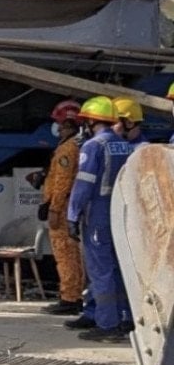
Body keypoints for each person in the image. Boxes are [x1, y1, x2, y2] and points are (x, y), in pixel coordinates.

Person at [64, 96, 133, 342]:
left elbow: (83, 185)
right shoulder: (124, 146)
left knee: (100, 270)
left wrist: (72, 214)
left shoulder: (92, 147)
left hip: (97, 215)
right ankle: (125, 319)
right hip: (120, 214)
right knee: (119, 269)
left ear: (92, 121)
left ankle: (107, 324)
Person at [38, 100, 85, 316]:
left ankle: (69, 297)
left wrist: (54, 209)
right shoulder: (73, 146)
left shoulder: (67, 149)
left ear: (65, 124)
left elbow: (63, 182)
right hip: (66, 206)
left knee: (65, 254)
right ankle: (74, 295)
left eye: (58, 123)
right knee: (71, 253)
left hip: (62, 208)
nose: (56, 127)